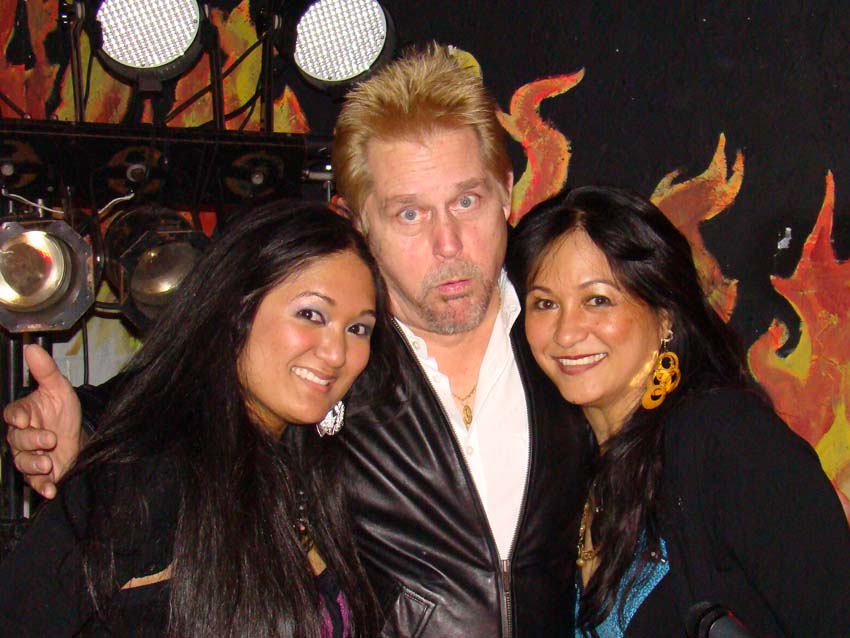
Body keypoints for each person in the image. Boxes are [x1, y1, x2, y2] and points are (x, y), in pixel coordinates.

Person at [5, 45, 592, 637]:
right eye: (409, 214)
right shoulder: (333, 360)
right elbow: (183, 387)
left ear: (506, 191)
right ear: (358, 222)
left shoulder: (566, 340)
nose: (448, 243)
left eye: (466, 201)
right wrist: (85, 428)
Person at [0, 201, 396, 637]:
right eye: (311, 315)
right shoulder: (147, 477)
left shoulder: (325, 466)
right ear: (235, 310)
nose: (337, 354)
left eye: (358, 329)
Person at [505, 185, 850, 637]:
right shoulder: (561, 470)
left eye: (598, 299)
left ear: (664, 314)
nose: (566, 333)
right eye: (545, 304)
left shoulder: (725, 437)